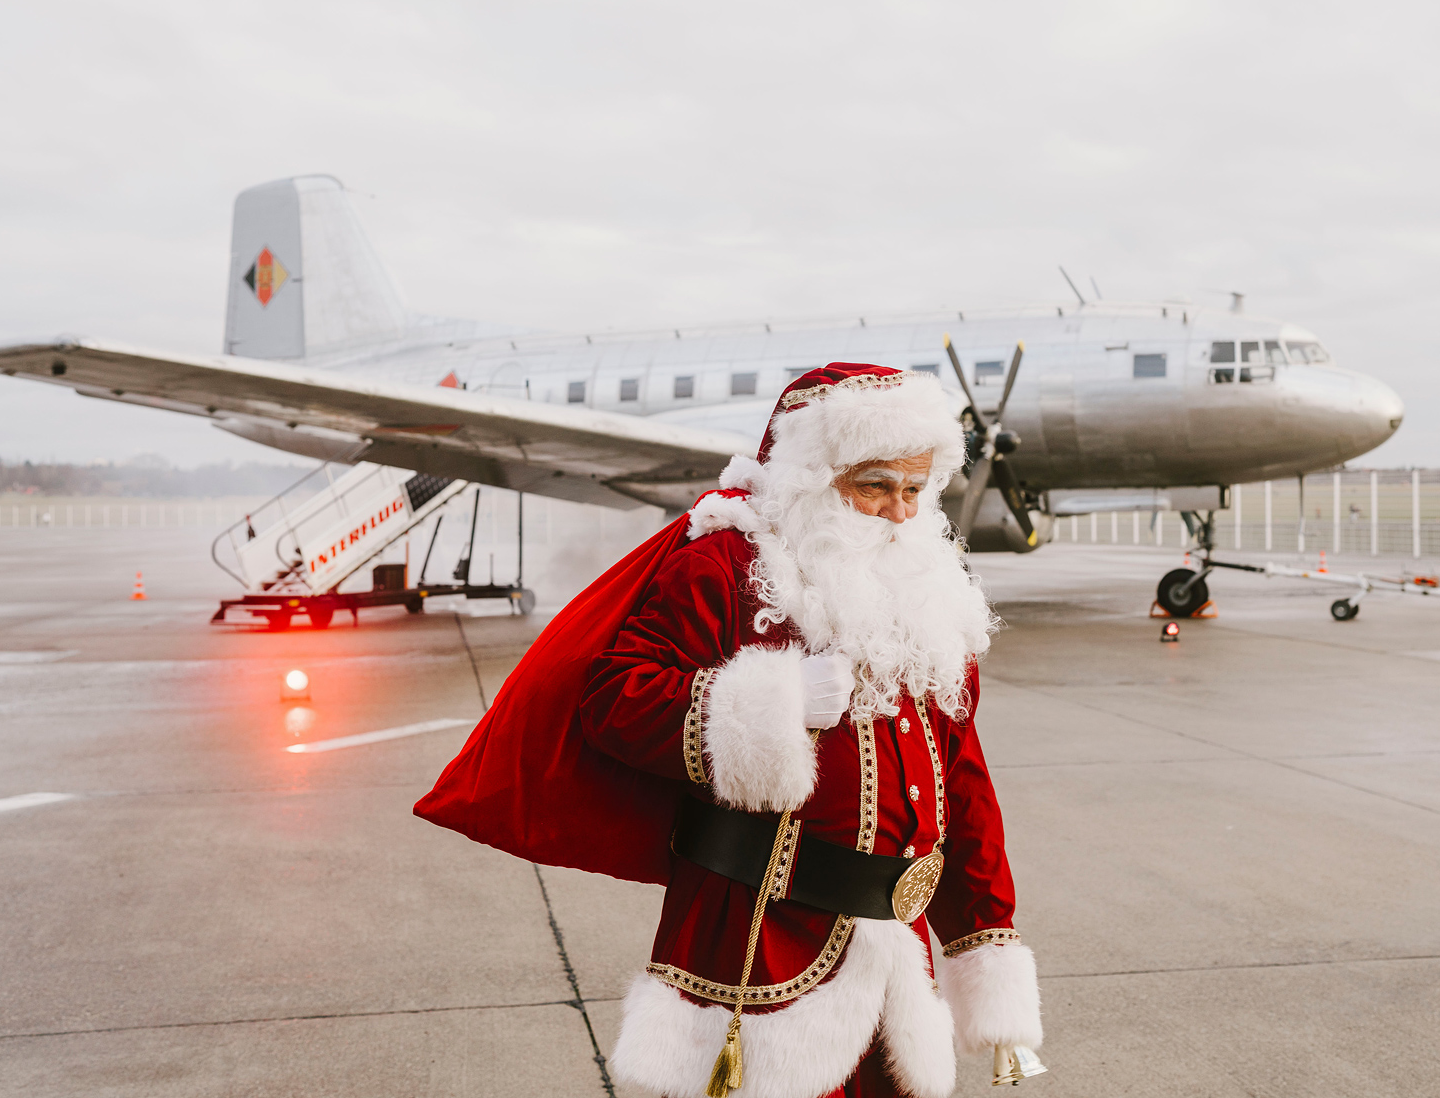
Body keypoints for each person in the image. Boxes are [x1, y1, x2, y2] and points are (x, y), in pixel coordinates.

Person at [417, 363, 1042, 1098]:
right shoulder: (723, 565)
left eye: (915, 488)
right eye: (875, 485)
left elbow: (960, 781)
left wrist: (985, 943)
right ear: (813, 476)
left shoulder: (928, 592)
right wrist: (772, 703)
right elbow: (615, 699)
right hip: (759, 944)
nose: (900, 513)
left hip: (898, 957)